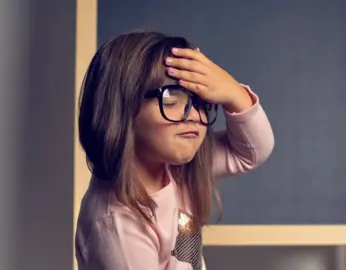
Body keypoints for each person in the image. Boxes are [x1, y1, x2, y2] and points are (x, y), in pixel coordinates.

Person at [74, 30, 274, 270]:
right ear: (122, 108)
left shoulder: (178, 171)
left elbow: (252, 151)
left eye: (201, 101)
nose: (193, 115)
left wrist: (232, 92)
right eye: (171, 98)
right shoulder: (117, 224)